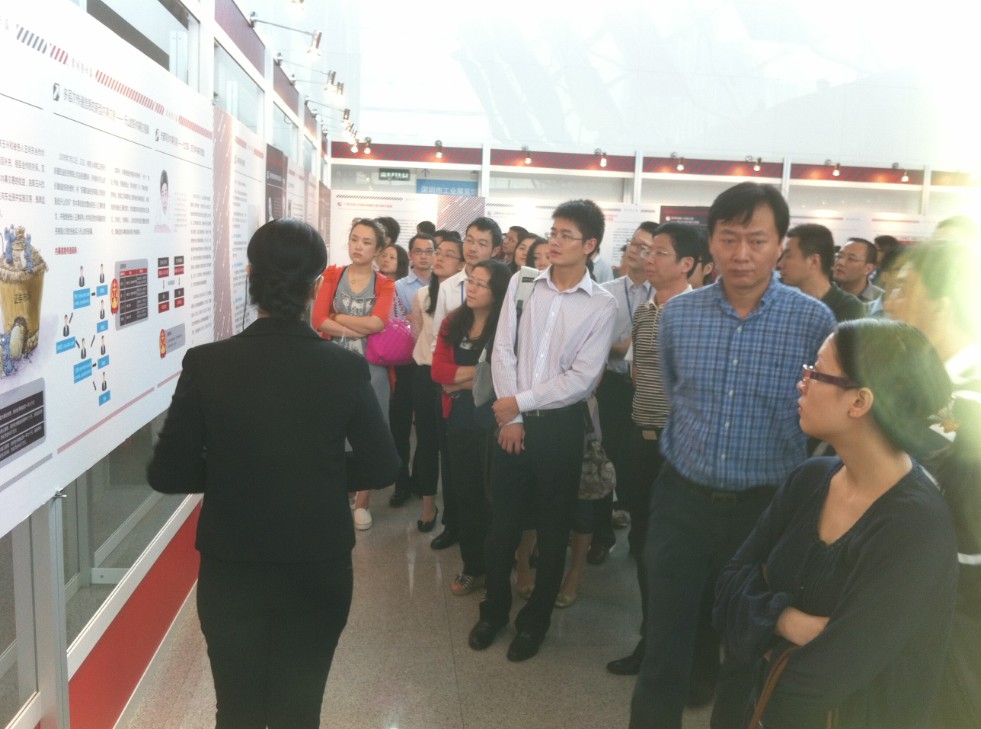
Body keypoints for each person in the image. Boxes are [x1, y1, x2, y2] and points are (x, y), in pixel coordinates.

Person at [147, 218, 399, 729]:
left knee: (236, 710)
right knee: (299, 713)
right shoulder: (344, 369)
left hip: (233, 564)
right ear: (315, 286)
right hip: (318, 563)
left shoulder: (207, 363)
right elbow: (382, 464)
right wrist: (315, 472)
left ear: (249, 276)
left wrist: (237, 470)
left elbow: (168, 472)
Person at [629, 182, 836, 729]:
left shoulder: (813, 322)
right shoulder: (679, 316)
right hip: (682, 502)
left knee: (745, 652)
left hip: (765, 512)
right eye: (729, 239)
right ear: (712, 243)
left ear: (780, 245)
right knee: (664, 644)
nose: (742, 254)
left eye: (757, 240)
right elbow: (675, 390)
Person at [714, 319, 957, 729]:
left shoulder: (915, 526)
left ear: (859, 401)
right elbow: (726, 591)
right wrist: (785, 620)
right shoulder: (809, 479)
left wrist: (758, 638)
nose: (802, 383)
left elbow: (819, 683)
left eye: (816, 372)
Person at [468, 199, 617, 662]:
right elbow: (502, 350)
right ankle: (493, 611)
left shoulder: (602, 304)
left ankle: (534, 624)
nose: (555, 241)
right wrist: (512, 417)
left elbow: (582, 379)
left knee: (553, 532)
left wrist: (521, 403)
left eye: (566, 235)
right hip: (510, 424)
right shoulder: (524, 282)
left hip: (560, 430)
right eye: (553, 232)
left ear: (590, 245)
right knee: (502, 528)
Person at [884, 239, 981, 729]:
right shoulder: (934, 387)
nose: (889, 302)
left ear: (943, 303)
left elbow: (968, 542)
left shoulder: (968, 401)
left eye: (904, 288)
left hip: (951, 620)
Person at [432, 260, 512, 596]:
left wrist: (462, 380)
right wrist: (480, 377)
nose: (472, 288)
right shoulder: (453, 322)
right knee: (467, 496)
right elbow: (438, 372)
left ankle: (500, 569)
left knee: (496, 499)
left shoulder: (506, 328)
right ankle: (473, 566)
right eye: (471, 281)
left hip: (496, 423)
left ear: (498, 292)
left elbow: (503, 378)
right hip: (460, 420)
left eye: (481, 284)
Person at [311, 218, 396, 531]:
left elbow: (378, 323)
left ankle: (362, 502)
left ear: (378, 250)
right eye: (354, 239)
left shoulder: (384, 284)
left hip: (371, 368)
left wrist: (339, 318)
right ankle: (337, 495)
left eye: (366, 242)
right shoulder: (333, 275)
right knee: (332, 430)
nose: (358, 247)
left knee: (370, 432)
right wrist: (356, 328)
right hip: (332, 366)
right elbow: (318, 320)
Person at [407, 237, 466, 533]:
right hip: (424, 375)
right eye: (438, 252)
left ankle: (455, 516)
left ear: (462, 264)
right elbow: (419, 336)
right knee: (427, 442)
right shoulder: (422, 295)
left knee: (450, 446)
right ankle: (429, 507)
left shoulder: (467, 298)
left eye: (449, 254)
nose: (439, 258)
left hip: (454, 380)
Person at [389, 234, 437, 508]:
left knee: (427, 427)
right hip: (404, 362)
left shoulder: (442, 285)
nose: (423, 256)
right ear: (410, 255)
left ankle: (420, 479)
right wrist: (414, 319)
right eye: (418, 251)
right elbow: (394, 320)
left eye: (428, 251)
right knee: (401, 425)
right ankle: (401, 482)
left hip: (429, 364)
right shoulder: (398, 287)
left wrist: (415, 318)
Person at [778, 223, 865, 322]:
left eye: (788, 256)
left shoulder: (849, 307)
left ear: (813, 261)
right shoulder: (784, 301)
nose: (780, 264)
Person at [833, 238, 884, 303]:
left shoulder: (882, 300)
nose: (840, 262)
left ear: (868, 268)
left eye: (851, 259)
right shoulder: (824, 293)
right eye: (839, 256)